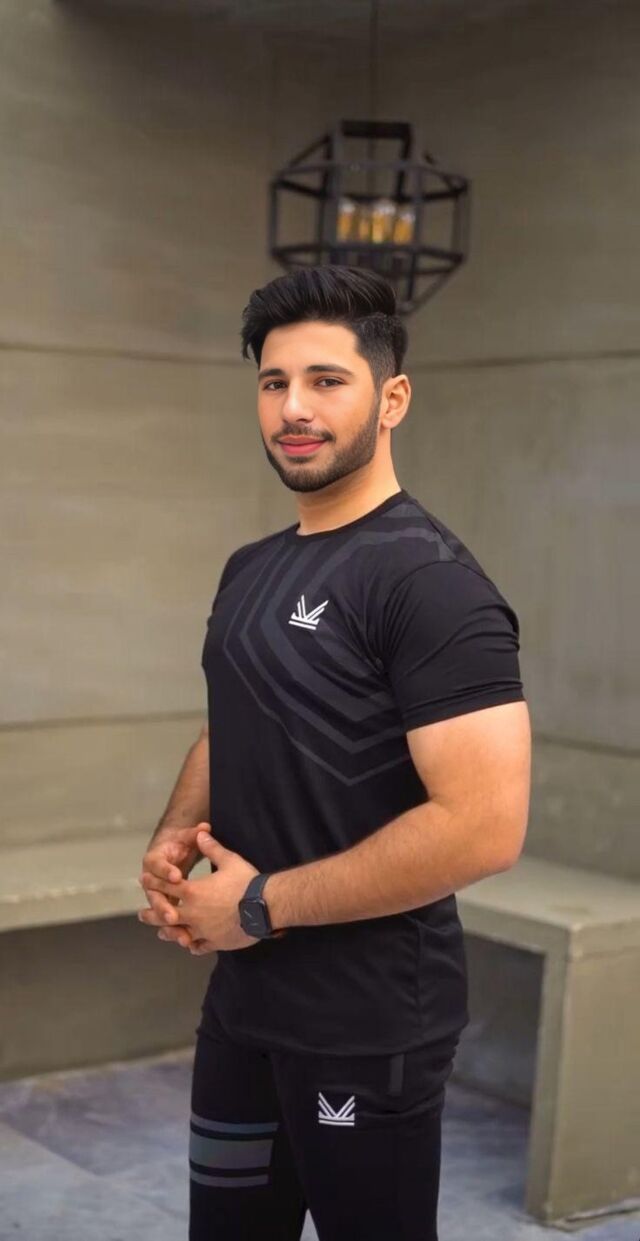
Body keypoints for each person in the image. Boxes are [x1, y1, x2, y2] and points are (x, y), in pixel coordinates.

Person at [137, 265, 531, 1241]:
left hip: (368, 1022)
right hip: (244, 1006)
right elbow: (233, 719)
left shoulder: (431, 584)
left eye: (326, 380)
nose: (293, 409)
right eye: (274, 382)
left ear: (391, 398)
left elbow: (484, 828)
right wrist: (177, 834)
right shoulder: (251, 568)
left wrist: (258, 904)